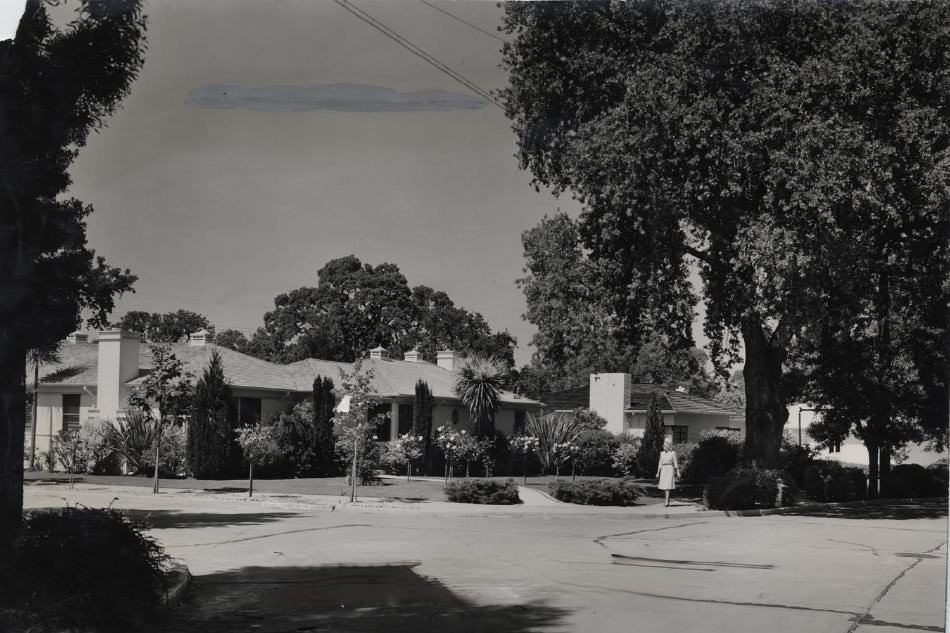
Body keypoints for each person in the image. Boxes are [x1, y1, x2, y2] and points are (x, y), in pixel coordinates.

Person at [656, 436, 680, 507]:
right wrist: (658, 472)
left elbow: (675, 463)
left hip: (670, 468)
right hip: (663, 469)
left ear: (669, 445)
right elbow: (660, 463)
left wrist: (678, 471)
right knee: (664, 485)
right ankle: (667, 499)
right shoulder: (662, 453)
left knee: (667, 485)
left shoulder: (673, 453)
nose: (663, 445)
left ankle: (666, 500)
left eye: (665, 444)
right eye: (663, 444)